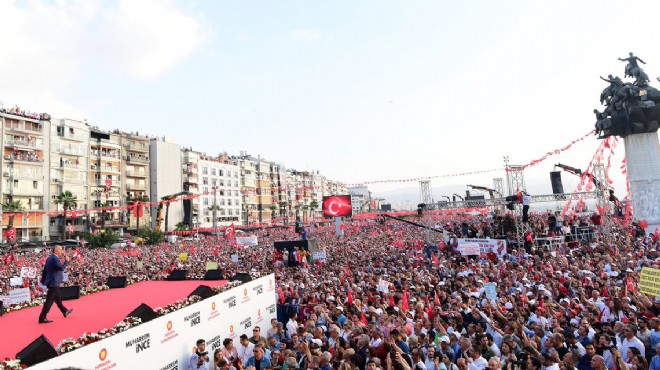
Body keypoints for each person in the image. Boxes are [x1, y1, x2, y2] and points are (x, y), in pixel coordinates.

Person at [38, 245, 73, 323]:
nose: (62, 251)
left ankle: (64, 311)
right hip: (54, 282)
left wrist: (44, 280)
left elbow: (45, 270)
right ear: (56, 251)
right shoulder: (55, 258)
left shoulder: (50, 258)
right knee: (49, 302)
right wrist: (66, 261)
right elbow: (61, 268)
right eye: (61, 250)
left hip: (53, 282)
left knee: (58, 299)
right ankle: (42, 318)